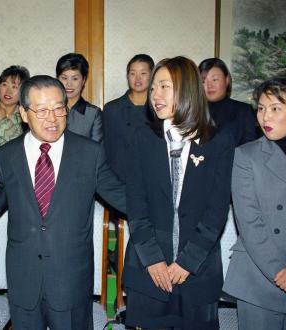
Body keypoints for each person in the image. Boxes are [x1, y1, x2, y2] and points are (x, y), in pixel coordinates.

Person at [0, 75, 125, 329]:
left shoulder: (89, 153)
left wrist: (166, 208)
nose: (52, 118)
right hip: (24, 279)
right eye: (42, 110)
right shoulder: (7, 155)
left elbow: (122, 197)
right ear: (24, 114)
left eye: (59, 108)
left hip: (70, 280)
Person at [123, 56, 235, 329]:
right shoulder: (142, 139)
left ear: (187, 90)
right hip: (148, 269)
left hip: (198, 270)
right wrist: (153, 260)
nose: (155, 96)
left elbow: (217, 209)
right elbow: (136, 206)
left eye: (164, 87)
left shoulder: (218, 142)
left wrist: (188, 262)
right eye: (153, 89)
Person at [223, 76, 286, 330]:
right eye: (262, 108)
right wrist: (281, 272)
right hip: (258, 277)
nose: (265, 117)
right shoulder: (245, 156)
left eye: (276, 108)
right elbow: (249, 223)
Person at [103, 54, 154, 182]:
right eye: (132, 73)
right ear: (127, 76)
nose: (137, 78)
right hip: (121, 181)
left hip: (152, 180)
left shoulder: (160, 110)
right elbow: (108, 150)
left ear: (152, 75)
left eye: (143, 73)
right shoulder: (112, 109)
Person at [199, 57, 258, 146]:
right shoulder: (193, 111)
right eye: (203, 81)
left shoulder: (243, 111)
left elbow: (250, 148)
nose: (209, 85)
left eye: (215, 80)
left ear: (227, 80)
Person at [56, 53, 103, 142]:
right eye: (64, 78)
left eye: (75, 79)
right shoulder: (48, 110)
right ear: (57, 79)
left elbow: (96, 150)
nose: (69, 84)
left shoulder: (93, 114)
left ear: (83, 80)